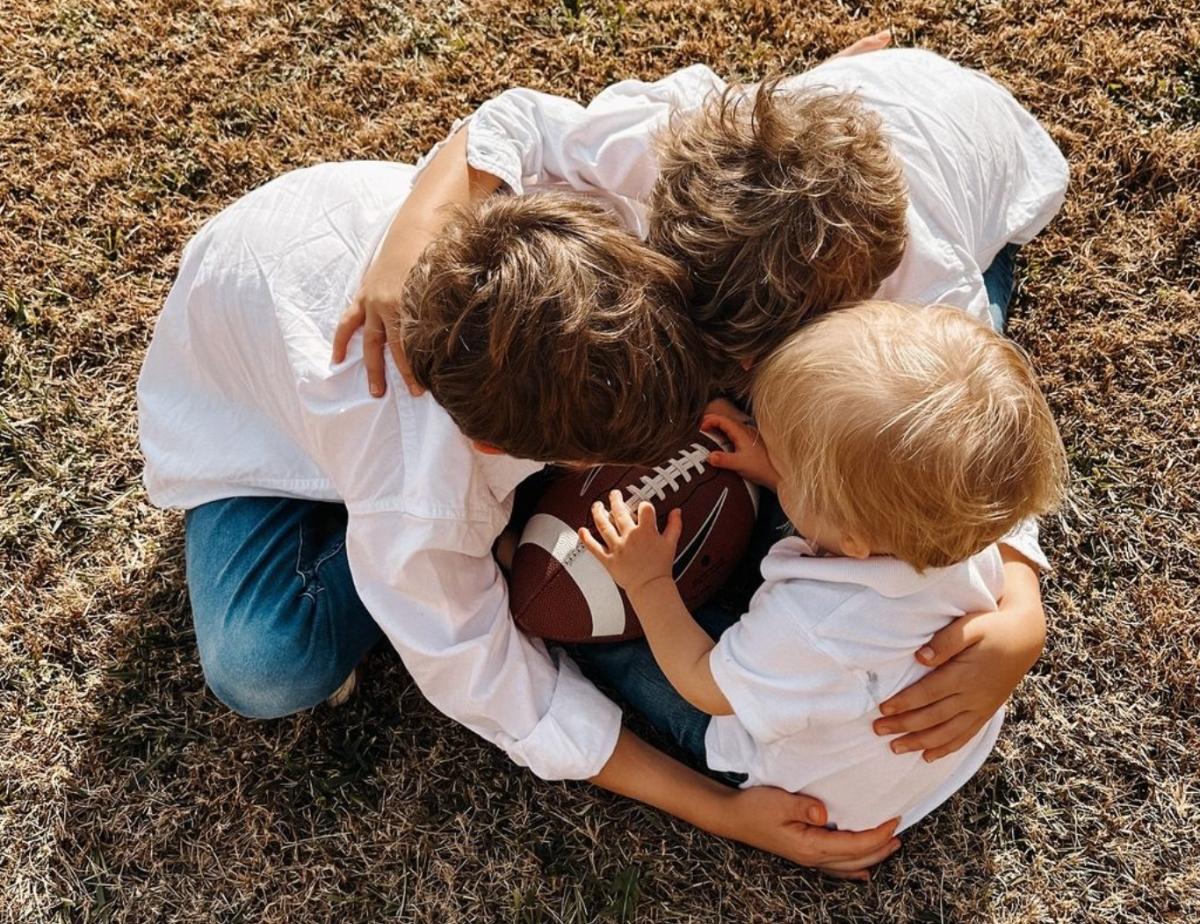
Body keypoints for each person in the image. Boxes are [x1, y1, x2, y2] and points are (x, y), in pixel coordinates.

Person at [138, 164, 900, 877]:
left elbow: (515, 124)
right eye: (597, 458)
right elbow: (500, 687)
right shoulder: (422, 498)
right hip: (256, 433)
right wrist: (724, 811)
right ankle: (462, 540)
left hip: (325, 252)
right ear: (494, 447)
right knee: (265, 666)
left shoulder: (592, 233)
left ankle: (498, 529)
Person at [338, 42, 1068, 765]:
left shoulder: (923, 286)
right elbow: (515, 121)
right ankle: (836, 89)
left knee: (884, 467)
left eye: (745, 362)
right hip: (852, 125)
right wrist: (414, 231)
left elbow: (974, 433)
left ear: (855, 308)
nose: (713, 378)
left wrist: (1022, 604)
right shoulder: (662, 140)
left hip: (975, 187)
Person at [579, 301, 1068, 832]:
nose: (773, 455)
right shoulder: (962, 526)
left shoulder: (812, 625)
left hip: (809, 789)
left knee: (622, 647)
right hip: (922, 761)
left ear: (853, 538)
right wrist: (781, 473)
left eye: (788, 465)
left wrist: (648, 582)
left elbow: (706, 687)